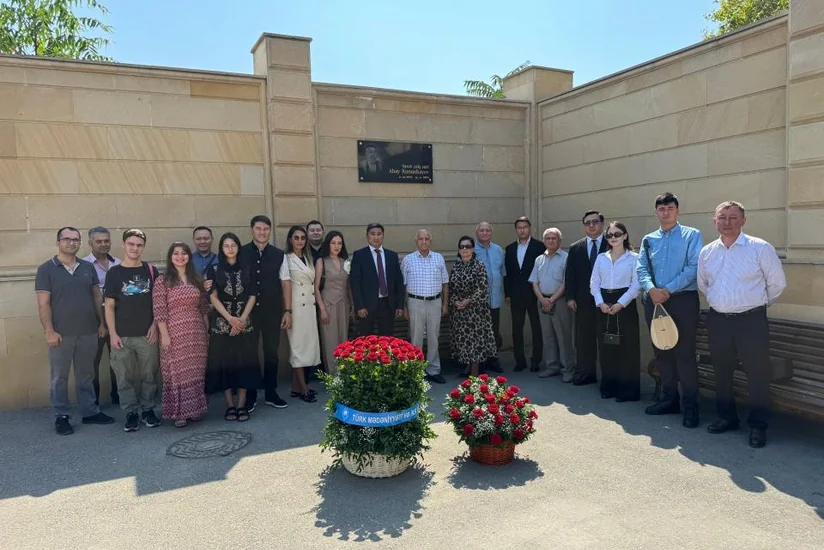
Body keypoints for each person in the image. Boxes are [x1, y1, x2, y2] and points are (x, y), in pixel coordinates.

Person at [698, 201, 787, 448]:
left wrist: (755, 306)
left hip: (751, 322)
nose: (728, 222)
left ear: (743, 221)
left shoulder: (760, 248)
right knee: (722, 372)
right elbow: (703, 284)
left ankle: (758, 425)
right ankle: (727, 418)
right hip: (718, 321)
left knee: (757, 374)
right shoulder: (707, 252)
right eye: (722, 217)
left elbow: (777, 284)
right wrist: (723, 303)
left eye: (733, 217)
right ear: (714, 221)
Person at [36, 227, 115, 435]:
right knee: (59, 377)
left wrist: (101, 323)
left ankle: (89, 411)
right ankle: (62, 415)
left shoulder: (87, 267)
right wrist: (49, 331)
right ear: (58, 242)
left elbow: (97, 297)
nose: (71, 243)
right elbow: (44, 304)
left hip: (88, 331)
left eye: (75, 239)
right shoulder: (46, 269)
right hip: (61, 333)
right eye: (67, 239)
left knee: (86, 374)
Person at [637, 192, 704, 428]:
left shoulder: (692, 235)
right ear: (656, 212)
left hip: (682, 300)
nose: (665, 212)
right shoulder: (648, 239)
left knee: (684, 355)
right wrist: (651, 290)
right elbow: (641, 268)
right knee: (662, 353)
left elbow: (694, 267)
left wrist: (667, 289)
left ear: (677, 210)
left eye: (670, 208)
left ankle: (691, 406)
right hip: (654, 301)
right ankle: (669, 400)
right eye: (661, 209)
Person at [104, 229, 161, 432]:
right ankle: (130, 413)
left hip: (148, 334)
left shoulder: (151, 271)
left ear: (143, 247)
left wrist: (155, 325)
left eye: (139, 245)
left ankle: (148, 410)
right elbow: (109, 306)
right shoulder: (114, 273)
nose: (135, 248)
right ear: (123, 244)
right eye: (131, 244)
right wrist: (112, 334)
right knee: (124, 377)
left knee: (149, 375)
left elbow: (159, 303)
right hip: (122, 335)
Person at [153, 242, 210, 428]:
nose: (180, 256)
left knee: (195, 372)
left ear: (189, 257)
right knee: (178, 373)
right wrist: (165, 335)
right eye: (176, 253)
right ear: (170, 257)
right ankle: (179, 413)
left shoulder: (195, 279)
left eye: (184, 253)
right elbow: (159, 310)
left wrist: (206, 329)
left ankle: (194, 410)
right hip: (174, 332)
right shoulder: (163, 281)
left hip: (196, 332)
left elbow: (203, 307)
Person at [205, 233, 261, 422]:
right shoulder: (213, 268)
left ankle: (242, 404)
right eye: (226, 245)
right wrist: (230, 319)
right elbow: (212, 297)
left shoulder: (248, 268)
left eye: (233, 245)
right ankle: (229, 405)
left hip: (245, 323)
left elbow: (253, 295)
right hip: (222, 324)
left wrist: (241, 320)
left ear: (238, 247)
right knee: (225, 366)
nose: (230, 248)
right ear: (221, 248)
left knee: (245, 365)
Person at [241, 215, 290, 410]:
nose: (262, 232)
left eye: (266, 229)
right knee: (249, 354)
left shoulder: (279, 254)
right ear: (252, 229)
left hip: (272, 311)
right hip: (248, 313)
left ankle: (271, 392)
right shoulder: (241, 252)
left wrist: (288, 310)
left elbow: (286, 283)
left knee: (272, 353)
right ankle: (250, 395)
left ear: (270, 231)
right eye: (259, 228)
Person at [590, 222, 641, 402]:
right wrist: (600, 303)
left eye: (617, 234)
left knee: (627, 348)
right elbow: (594, 282)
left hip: (624, 304)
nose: (613, 238)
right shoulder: (601, 258)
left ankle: (627, 390)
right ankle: (609, 386)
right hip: (604, 303)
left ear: (625, 236)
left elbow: (637, 284)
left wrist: (621, 303)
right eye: (609, 235)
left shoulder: (634, 258)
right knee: (606, 347)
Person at [565, 210, 608, 386]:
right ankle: (586, 374)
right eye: (587, 223)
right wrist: (570, 297)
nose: (591, 225)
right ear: (584, 226)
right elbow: (570, 274)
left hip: (607, 300)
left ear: (602, 223)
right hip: (582, 300)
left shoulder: (611, 243)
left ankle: (608, 377)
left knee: (606, 339)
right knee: (584, 338)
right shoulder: (576, 248)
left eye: (595, 222)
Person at [402, 229, 449, 384]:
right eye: (421, 239)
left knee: (433, 337)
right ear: (416, 240)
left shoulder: (438, 258)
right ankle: (416, 370)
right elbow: (403, 286)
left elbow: (445, 284)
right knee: (416, 337)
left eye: (427, 239)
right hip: (415, 302)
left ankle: (433, 370)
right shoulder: (408, 260)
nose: (424, 241)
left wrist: (445, 304)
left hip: (435, 301)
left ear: (430, 240)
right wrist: (405, 308)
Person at [529, 228, 575, 382]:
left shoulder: (566, 258)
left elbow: (565, 282)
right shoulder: (539, 259)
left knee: (563, 336)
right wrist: (542, 299)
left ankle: (567, 369)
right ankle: (552, 366)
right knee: (547, 336)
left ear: (559, 241)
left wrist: (552, 299)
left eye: (553, 238)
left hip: (559, 301)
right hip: (542, 301)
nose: (550, 241)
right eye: (547, 238)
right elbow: (534, 281)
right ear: (544, 241)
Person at [449, 236, 498, 377]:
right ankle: (468, 368)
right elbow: (450, 288)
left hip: (476, 313)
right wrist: (455, 301)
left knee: (475, 343)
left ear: (473, 249)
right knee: (465, 343)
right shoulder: (456, 266)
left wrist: (468, 301)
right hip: (460, 313)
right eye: (462, 246)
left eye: (468, 246)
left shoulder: (479, 265)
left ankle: (475, 375)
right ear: (459, 250)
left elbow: (482, 288)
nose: (465, 249)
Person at [83, 226, 121, 406]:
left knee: (118, 359)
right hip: (93, 320)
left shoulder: (119, 263)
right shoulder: (83, 265)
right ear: (90, 243)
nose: (103, 244)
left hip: (116, 317)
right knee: (92, 362)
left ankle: (118, 395)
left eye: (106, 241)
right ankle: (94, 400)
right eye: (99, 241)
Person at [504, 216, 546, 372]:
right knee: (517, 329)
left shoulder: (539, 246)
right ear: (516, 229)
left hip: (534, 294)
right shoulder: (509, 249)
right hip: (516, 295)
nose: (522, 230)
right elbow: (507, 274)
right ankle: (519, 361)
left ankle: (536, 360)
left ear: (530, 228)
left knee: (537, 328)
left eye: (525, 227)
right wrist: (507, 293)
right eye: (519, 227)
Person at [284, 226, 321, 402]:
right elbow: (285, 286)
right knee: (297, 348)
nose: (299, 241)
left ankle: (296, 387)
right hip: (296, 308)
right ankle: (304, 389)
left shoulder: (308, 258)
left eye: (302, 238)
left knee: (307, 347)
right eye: (296, 237)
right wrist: (287, 311)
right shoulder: (286, 259)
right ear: (290, 240)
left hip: (309, 307)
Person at [350, 222, 405, 336]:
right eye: (373, 234)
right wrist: (359, 306)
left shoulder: (392, 255)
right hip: (367, 305)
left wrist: (400, 304)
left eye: (379, 234)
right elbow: (355, 283)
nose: (376, 237)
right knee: (366, 339)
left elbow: (398, 282)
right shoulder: (359, 255)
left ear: (383, 236)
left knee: (387, 338)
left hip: (387, 304)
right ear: (367, 236)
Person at [314, 231, 352, 376]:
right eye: (333, 243)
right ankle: (333, 375)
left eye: (339, 243)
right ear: (328, 244)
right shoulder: (321, 261)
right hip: (328, 304)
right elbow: (316, 287)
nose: (337, 246)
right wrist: (322, 309)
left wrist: (352, 305)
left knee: (343, 339)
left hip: (344, 304)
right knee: (330, 341)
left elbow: (348, 286)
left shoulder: (345, 262)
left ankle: (343, 372)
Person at [475, 221, 505, 373]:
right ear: (477, 233)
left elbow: (503, 272)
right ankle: (480, 362)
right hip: (478, 301)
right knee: (480, 332)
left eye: (487, 230)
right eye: (482, 230)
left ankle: (493, 359)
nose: (485, 233)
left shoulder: (498, 250)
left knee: (494, 330)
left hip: (495, 298)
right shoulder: (471, 249)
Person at [305, 219, 326, 383]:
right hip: (307, 298)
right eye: (312, 230)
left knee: (326, 333)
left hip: (328, 297)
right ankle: (311, 370)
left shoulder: (329, 248)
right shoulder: (303, 251)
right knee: (310, 334)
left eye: (318, 230)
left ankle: (325, 367)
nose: (315, 232)